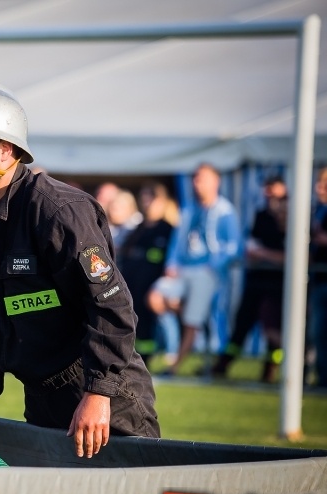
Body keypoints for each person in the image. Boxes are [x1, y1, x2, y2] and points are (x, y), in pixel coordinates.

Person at [0, 81, 160, 459]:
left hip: (106, 398)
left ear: (5, 150)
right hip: (41, 400)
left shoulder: (58, 211)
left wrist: (97, 393)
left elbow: (111, 308)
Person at [148, 163, 241, 376]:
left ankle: (174, 365)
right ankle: (184, 320)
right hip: (182, 269)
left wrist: (212, 266)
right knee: (155, 297)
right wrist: (171, 264)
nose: (196, 183)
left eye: (202, 178)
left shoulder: (225, 211)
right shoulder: (189, 209)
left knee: (192, 320)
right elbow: (177, 242)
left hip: (206, 272)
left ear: (215, 182)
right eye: (195, 178)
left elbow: (234, 247)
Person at [210, 176, 288, 382]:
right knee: (242, 324)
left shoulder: (295, 216)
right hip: (256, 279)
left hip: (279, 283)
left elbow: (290, 257)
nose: (269, 193)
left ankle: (271, 369)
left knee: (273, 330)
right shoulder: (261, 215)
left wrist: (263, 254)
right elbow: (251, 247)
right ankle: (222, 365)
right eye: (266, 189)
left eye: (273, 189)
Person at [118, 181, 176, 363]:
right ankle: (134, 356)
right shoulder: (138, 228)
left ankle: (161, 356)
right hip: (132, 284)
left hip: (152, 286)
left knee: (151, 322)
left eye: (151, 198)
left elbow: (165, 258)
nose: (147, 203)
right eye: (144, 198)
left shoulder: (168, 229)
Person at [309, 168, 327, 389]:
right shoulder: (318, 211)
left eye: (324, 182)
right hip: (319, 281)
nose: (319, 187)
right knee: (318, 334)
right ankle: (322, 379)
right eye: (319, 182)